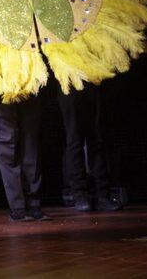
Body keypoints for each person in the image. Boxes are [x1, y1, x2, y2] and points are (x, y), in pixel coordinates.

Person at [57, 84, 122, 212]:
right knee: (74, 140)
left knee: (96, 138)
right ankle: (79, 195)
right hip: (68, 81)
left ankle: (102, 195)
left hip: (91, 80)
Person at [0, 95, 50, 222]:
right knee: (7, 140)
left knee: (30, 139)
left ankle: (33, 203)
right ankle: (17, 206)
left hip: (28, 79)